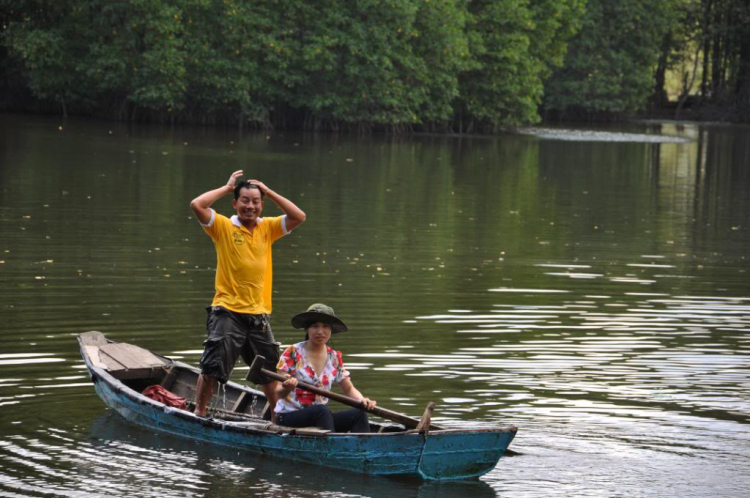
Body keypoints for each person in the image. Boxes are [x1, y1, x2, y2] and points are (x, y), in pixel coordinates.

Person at [190, 170, 306, 417]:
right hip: (227, 311)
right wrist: (226, 186)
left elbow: (299, 216)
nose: (250, 206)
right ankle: (198, 413)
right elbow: (197, 204)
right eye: (244, 200)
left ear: (262, 205)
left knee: (269, 370)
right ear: (235, 203)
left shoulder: (268, 228)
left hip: (259, 314)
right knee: (212, 366)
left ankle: (277, 417)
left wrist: (270, 192)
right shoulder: (222, 226)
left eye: (255, 202)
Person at [274, 303, 376, 433]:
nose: (320, 332)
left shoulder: (334, 357)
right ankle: (330, 450)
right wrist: (286, 387)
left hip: (320, 418)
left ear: (331, 329)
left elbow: (348, 388)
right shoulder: (292, 352)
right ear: (307, 329)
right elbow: (277, 392)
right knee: (322, 411)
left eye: (325, 326)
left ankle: (363, 451)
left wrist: (363, 401)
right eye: (315, 326)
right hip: (289, 417)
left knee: (359, 414)